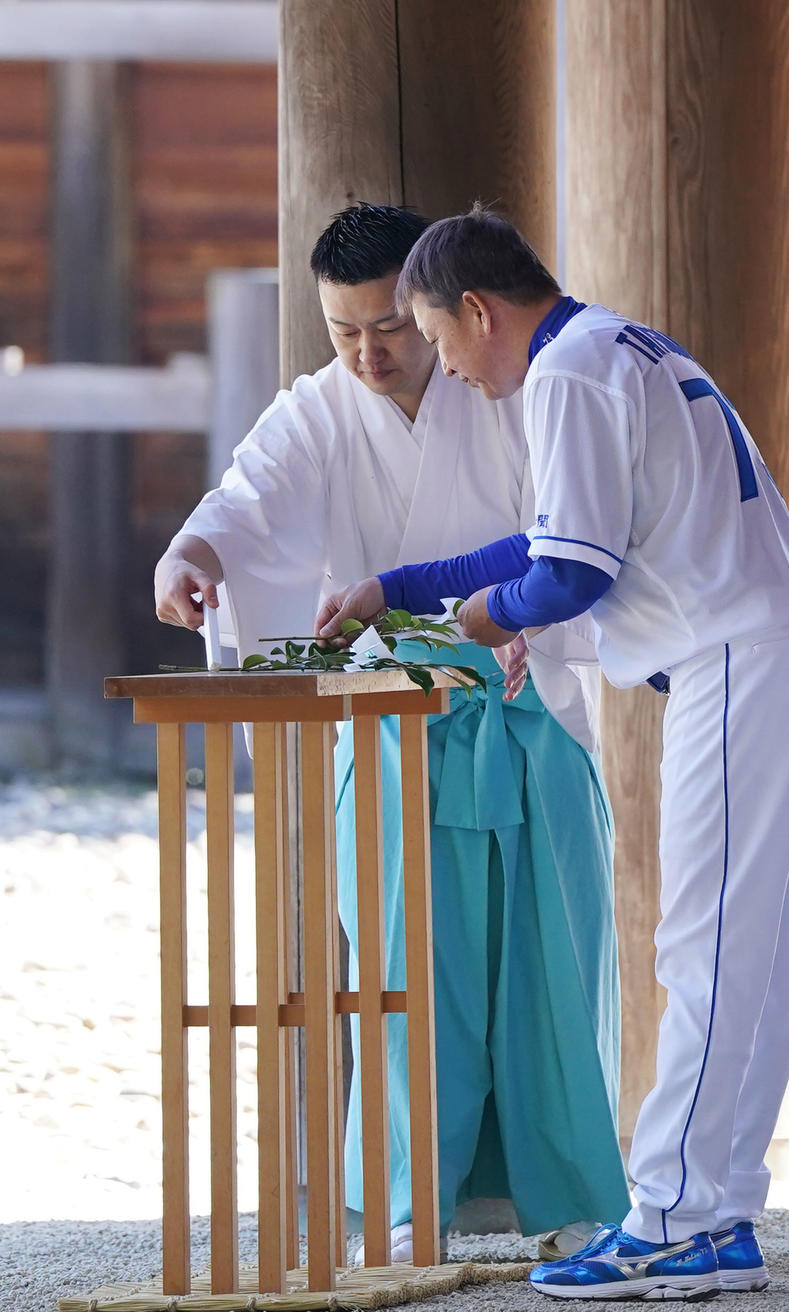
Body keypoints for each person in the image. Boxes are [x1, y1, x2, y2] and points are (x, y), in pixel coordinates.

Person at [317, 203, 789, 1301]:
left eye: (440, 337)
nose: (450, 369)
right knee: (750, 953)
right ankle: (718, 1214)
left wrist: (470, 620)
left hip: (737, 662)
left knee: (703, 952)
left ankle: (664, 1218)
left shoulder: (563, 374)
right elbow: (547, 540)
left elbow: (565, 577)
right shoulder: (617, 346)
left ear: (477, 309)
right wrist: (404, 585)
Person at [153, 203, 629, 1260]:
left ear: (435, 310)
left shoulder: (517, 393)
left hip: (521, 703)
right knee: (409, 965)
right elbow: (247, 499)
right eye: (344, 332)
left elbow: (574, 533)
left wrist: (523, 618)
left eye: (390, 328)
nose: (368, 354)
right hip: (385, 717)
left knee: (550, 959)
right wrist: (192, 554)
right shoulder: (317, 411)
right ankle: (420, 1191)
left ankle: (565, 1196)